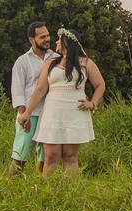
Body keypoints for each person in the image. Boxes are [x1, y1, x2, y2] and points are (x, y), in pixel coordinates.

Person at [18, 27, 106, 176]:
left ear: (68, 42)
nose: (56, 41)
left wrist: (93, 103)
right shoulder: (51, 63)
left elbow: (100, 85)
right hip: (53, 112)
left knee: (70, 157)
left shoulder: (85, 62)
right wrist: (27, 112)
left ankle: (70, 192)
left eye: (59, 39)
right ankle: (48, 193)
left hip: (75, 111)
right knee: (51, 157)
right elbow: (40, 90)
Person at [7, 21, 57, 177]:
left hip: (50, 113)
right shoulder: (22, 61)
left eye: (48, 35)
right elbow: (17, 91)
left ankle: (40, 187)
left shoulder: (57, 58)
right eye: (42, 37)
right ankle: (10, 188)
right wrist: (24, 115)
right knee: (20, 154)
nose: (47, 39)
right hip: (30, 114)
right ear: (31, 40)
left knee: (46, 156)